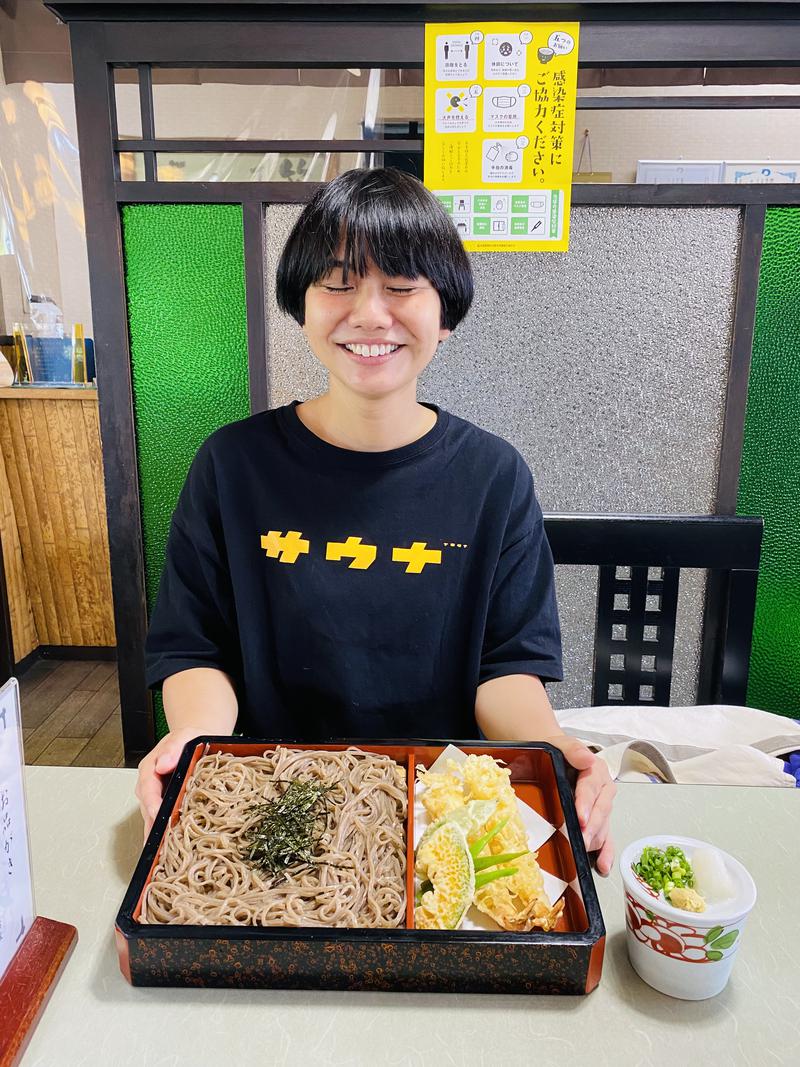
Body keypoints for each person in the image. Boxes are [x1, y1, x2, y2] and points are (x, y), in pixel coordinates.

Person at [135, 167, 616, 873]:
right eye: (336, 282)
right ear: (300, 303)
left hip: (438, 819)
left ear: (444, 314)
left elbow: (507, 670)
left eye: (400, 286)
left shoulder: (494, 478)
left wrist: (556, 749)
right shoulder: (232, 465)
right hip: (269, 810)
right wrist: (194, 743)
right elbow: (192, 648)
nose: (368, 312)